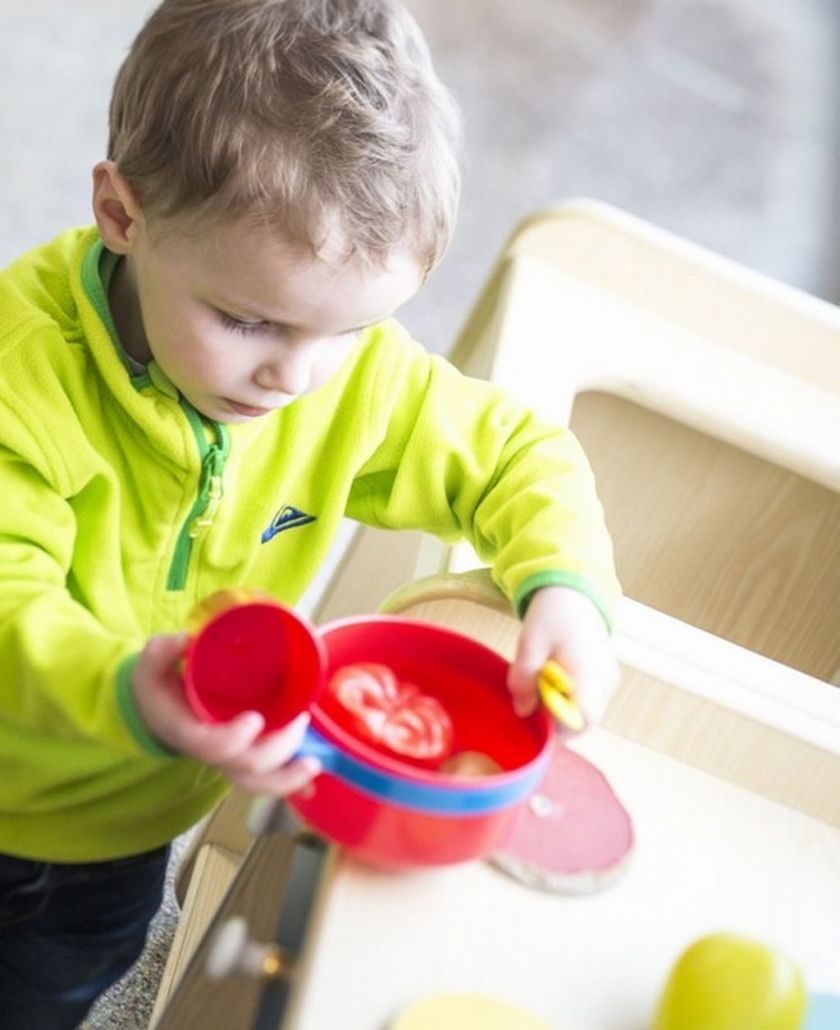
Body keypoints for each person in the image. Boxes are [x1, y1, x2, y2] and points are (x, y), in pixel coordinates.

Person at [0, 0, 621, 1025]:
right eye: (247, 320)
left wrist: (568, 592)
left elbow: (520, 456)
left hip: (123, 838)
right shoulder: (23, 382)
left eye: (350, 329)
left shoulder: (348, 378)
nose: (294, 376)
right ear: (122, 214)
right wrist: (126, 686)